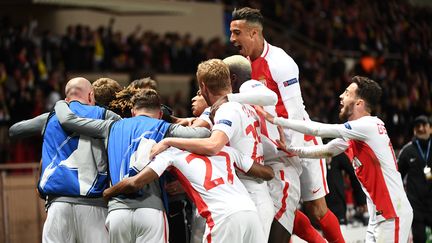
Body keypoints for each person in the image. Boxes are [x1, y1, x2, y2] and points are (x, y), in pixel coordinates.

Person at [230, 7, 342, 242]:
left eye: (236, 32)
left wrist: (297, 152)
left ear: (253, 34)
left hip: (299, 142)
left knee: (318, 211)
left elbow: (296, 110)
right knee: (280, 207)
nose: (232, 39)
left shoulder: (281, 62)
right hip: (272, 148)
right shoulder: (242, 66)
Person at [258, 76, 414, 242]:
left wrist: (275, 120)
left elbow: (319, 130)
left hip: (392, 213)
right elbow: (326, 151)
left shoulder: (368, 126)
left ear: (359, 103)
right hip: (379, 215)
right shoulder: (357, 133)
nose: (341, 96)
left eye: (347, 93)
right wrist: (291, 150)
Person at [54, 88, 210, 243]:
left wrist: (61, 103)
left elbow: (69, 121)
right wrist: (180, 125)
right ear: (160, 113)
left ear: (133, 111)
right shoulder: (165, 127)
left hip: (118, 213)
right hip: (151, 209)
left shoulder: (110, 126)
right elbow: (204, 134)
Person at [151, 58, 275, 240]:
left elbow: (213, 145)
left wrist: (170, 141)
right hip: (251, 195)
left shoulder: (227, 109)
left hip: (244, 194)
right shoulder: (242, 104)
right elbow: (198, 128)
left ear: (203, 86)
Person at [9, 77, 121, 243]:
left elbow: (15, 130)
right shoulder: (104, 115)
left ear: (67, 98)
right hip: (94, 207)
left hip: (58, 207)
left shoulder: (50, 118)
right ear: (91, 96)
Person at [103, 145, 273, 243]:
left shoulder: (171, 153)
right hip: (250, 212)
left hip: (222, 217)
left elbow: (135, 182)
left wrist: (107, 192)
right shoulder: (226, 150)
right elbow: (268, 173)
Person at [398, 115, 432, 243]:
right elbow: (397, 177)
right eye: (418, 126)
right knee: (419, 239)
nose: (421, 128)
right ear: (414, 130)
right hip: (415, 205)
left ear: (430, 128)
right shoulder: (407, 151)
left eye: (424, 125)